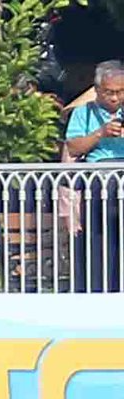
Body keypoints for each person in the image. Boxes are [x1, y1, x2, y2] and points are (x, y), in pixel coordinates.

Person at [61, 60, 124, 291]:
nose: (115, 98)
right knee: (98, 239)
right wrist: (100, 134)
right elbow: (74, 147)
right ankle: (98, 288)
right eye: (109, 92)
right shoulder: (83, 113)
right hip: (98, 182)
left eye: (120, 92)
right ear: (97, 90)